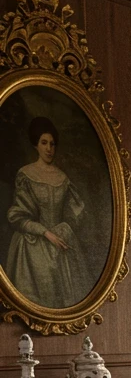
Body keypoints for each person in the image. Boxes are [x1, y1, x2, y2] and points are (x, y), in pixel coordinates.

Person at [6, 116, 93, 308]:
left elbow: (76, 212)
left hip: (61, 242)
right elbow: (16, 216)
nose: (49, 149)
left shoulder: (62, 177)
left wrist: (65, 227)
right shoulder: (26, 174)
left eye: (52, 144)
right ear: (35, 145)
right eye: (44, 143)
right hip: (32, 246)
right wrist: (45, 232)